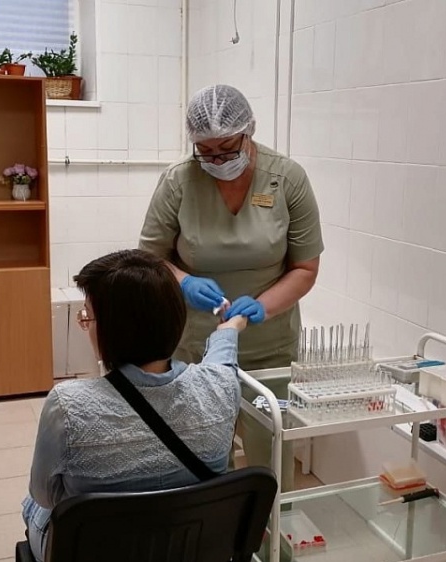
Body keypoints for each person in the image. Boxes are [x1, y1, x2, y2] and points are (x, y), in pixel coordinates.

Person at [139, 84, 324, 491]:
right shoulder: (179, 181)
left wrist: (263, 307)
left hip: (270, 346)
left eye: (227, 148)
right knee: (203, 455)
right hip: (196, 346)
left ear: (248, 131)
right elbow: (149, 258)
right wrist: (184, 282)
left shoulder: (286, 178)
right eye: (206, 152)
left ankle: (272, 528)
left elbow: (305, 267)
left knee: (271, 453)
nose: (218, 160)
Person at [21, 249, 248, 562]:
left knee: (33, 505)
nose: (86, 326)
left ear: (110, 330)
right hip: (190, 547)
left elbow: (44, 494)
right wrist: (229, 329)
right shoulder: (221, 387)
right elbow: (222, 361)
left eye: (88, 317)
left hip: (96, 551)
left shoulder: (68, 405)